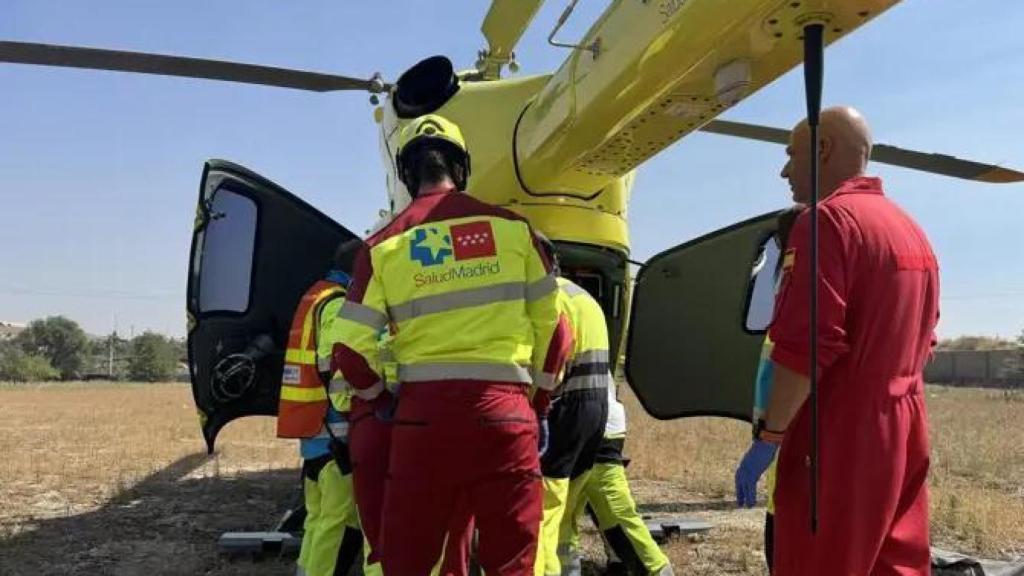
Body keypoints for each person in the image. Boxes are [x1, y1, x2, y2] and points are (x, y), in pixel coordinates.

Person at [330, 113, 571, 576]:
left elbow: (350, 353)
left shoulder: (382, 245)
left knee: (409, 562)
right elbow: (558, 334)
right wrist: (537, 402)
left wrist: (383, 401)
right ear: (461, 169)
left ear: (407, 174)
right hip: (506, 418)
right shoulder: (513, 230)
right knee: (512, 563)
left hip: (422, 423)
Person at [733, 106, 939, 575]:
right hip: (906, 428)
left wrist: (770, 437)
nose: (785, 170)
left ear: (822, 150)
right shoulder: (911, 230)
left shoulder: (825, 222)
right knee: (894, 565)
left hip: (840, 431)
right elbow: (927, 341)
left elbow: (806, 347)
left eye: (791, 155)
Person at [276, 240, 379, 576]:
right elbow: (335, 367)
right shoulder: (337, 303)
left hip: (313, 434)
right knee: (335, 521)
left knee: (320, 519)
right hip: (333, 434)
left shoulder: (315, 296)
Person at [532, 239, 609, 576]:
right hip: (596, 411)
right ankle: (569, 569)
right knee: (565, 510)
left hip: (565, 409)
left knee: (541, 516)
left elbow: (555, 359)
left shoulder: (553, 296)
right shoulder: (584, 297)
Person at [560, 378, 673, 576]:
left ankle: (656, 569)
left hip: (585, 424)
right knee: (567, 514)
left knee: (610, 511)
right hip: (593, 422)